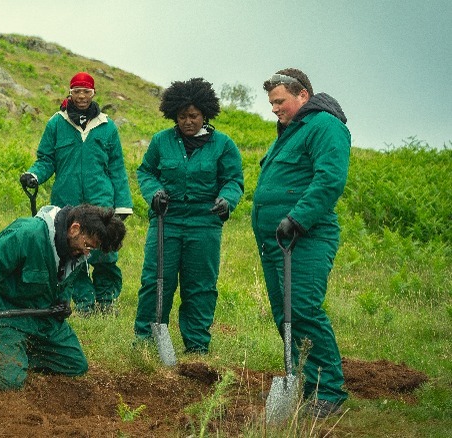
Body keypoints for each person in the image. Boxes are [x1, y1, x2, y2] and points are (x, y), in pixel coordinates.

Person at [0, 204, 126, 390]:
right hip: (6, 317)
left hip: (43, 319)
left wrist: (62, 302)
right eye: (88, 245)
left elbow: (63, 281)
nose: (88, 252)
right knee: (9, 379)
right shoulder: (28, 234)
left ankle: (14, 358)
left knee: (75, 364)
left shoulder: (76, 251)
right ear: (74, 229)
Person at [252, 68, 350, 418]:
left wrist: (297, 219)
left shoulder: (325, 126)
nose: (274, 109)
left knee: (303, 309)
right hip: (276, 241)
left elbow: (329, 180)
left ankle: (330, 392)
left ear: (303, 96)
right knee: (285, 314)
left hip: (304, 237)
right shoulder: (290, 131)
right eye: (271, 103)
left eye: (280, 101)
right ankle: (304, 382)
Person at [133, 78, 244, 355]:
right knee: (156, 281)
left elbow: (233, 180)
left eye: (193, 116)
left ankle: (196, 346)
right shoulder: (161, 141)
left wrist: (226, 199)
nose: (188, 122)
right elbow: (146, 172)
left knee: (200, 287)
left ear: (205, 114)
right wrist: (154, 192)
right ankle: (147, 340)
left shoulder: (223, 145)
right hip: (165, 222)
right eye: (182, 116)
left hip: (204, 224)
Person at [19, 72, 133, 315]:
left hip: (101, 201)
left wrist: (122, 205)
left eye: (86, 91)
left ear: (93, 94)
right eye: (77, 91)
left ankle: (107, 301)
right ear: (69, 93)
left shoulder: (107, 126)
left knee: (104, 254)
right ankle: (84, 304)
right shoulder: (56, 123)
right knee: (73, 252)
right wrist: (34, 175)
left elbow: (116, 167)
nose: (81, 96)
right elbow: (46, 159)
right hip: (67, 202)